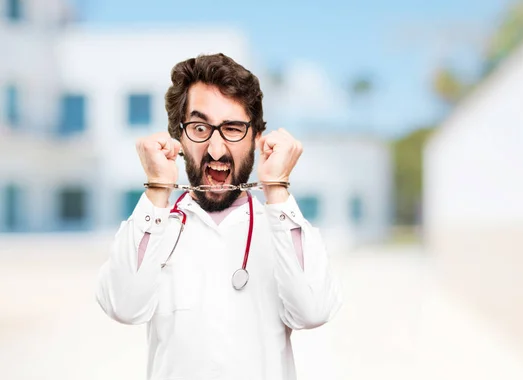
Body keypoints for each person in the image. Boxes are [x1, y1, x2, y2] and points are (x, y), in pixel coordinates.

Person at [96, 53, 342, 380]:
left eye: (233, 128)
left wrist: (277, 188)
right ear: (179, 137)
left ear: (256, 137)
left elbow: (313, 311)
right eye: (199, 127)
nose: (215, 148)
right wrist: (157, 189)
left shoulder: (282, 224)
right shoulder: (156, 225)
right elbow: (123, 307)